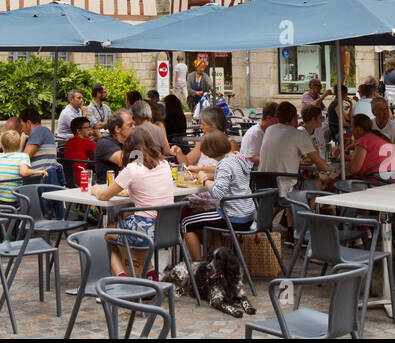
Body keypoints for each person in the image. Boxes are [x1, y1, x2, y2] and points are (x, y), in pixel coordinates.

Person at [89, 126, 174, 276]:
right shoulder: (165, 164)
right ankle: (151, 274)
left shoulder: (133, 168)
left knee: (105, 233)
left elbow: (104, 196)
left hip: (146, 230)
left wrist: (95, 189)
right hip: (167, 229)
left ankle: (121, 276)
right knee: (128, 220)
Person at [180, 130, 254, 261]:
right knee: (208, 213)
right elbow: (224, 170)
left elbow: (218, 193)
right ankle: (217, 260)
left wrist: (204, 179)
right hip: (247, 214)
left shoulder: (224, 164)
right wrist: (199, 169)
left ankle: (198, 267)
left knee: (186, 223)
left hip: (233, 216)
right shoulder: (237, 157)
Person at [259, 101, 326, 194]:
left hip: (262, 185)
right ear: (294, 117)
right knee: (317, 183)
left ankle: (287, 208)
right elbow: (323, 166)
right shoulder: (298, 134)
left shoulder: (269, 130)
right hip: (284, 187)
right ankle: (306, 208)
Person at [345, 115, 395, 181]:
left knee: (336, 182)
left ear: (358, 128)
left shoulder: (364, 140)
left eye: (351, 127)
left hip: (376, 183)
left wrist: (342, 161)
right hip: (392, 181)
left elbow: (353, 169)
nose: (351, 130)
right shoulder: (377, 136)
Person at [0, 129, 37, 203]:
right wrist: (39, 171)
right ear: (19, 144)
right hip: (14, 197)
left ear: (2, 146)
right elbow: (24, 172)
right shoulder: (23, 156)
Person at [93, 110, 134, 184]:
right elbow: (123, 161)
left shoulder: (128, 142)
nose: (134, 127)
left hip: (126, 189)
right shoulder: (104, 143)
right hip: (106, 190)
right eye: (130, 125)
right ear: (117, 129)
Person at [238, 102, 277, 167]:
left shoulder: (269, 131)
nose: (279, 122)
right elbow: (249, 159)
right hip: (255, 174)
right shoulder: (254, 133)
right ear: (269, 118)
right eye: (277, 119)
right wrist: (273, 160)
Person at [62, 117, 96, 186]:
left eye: (90, 127)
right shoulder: (85, 142)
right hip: (82, 176)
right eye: (87, 128)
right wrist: (99, 137)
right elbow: (102, 151)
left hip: (68, 177)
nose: (90, 130)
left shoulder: (69, 142)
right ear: (78, 131)